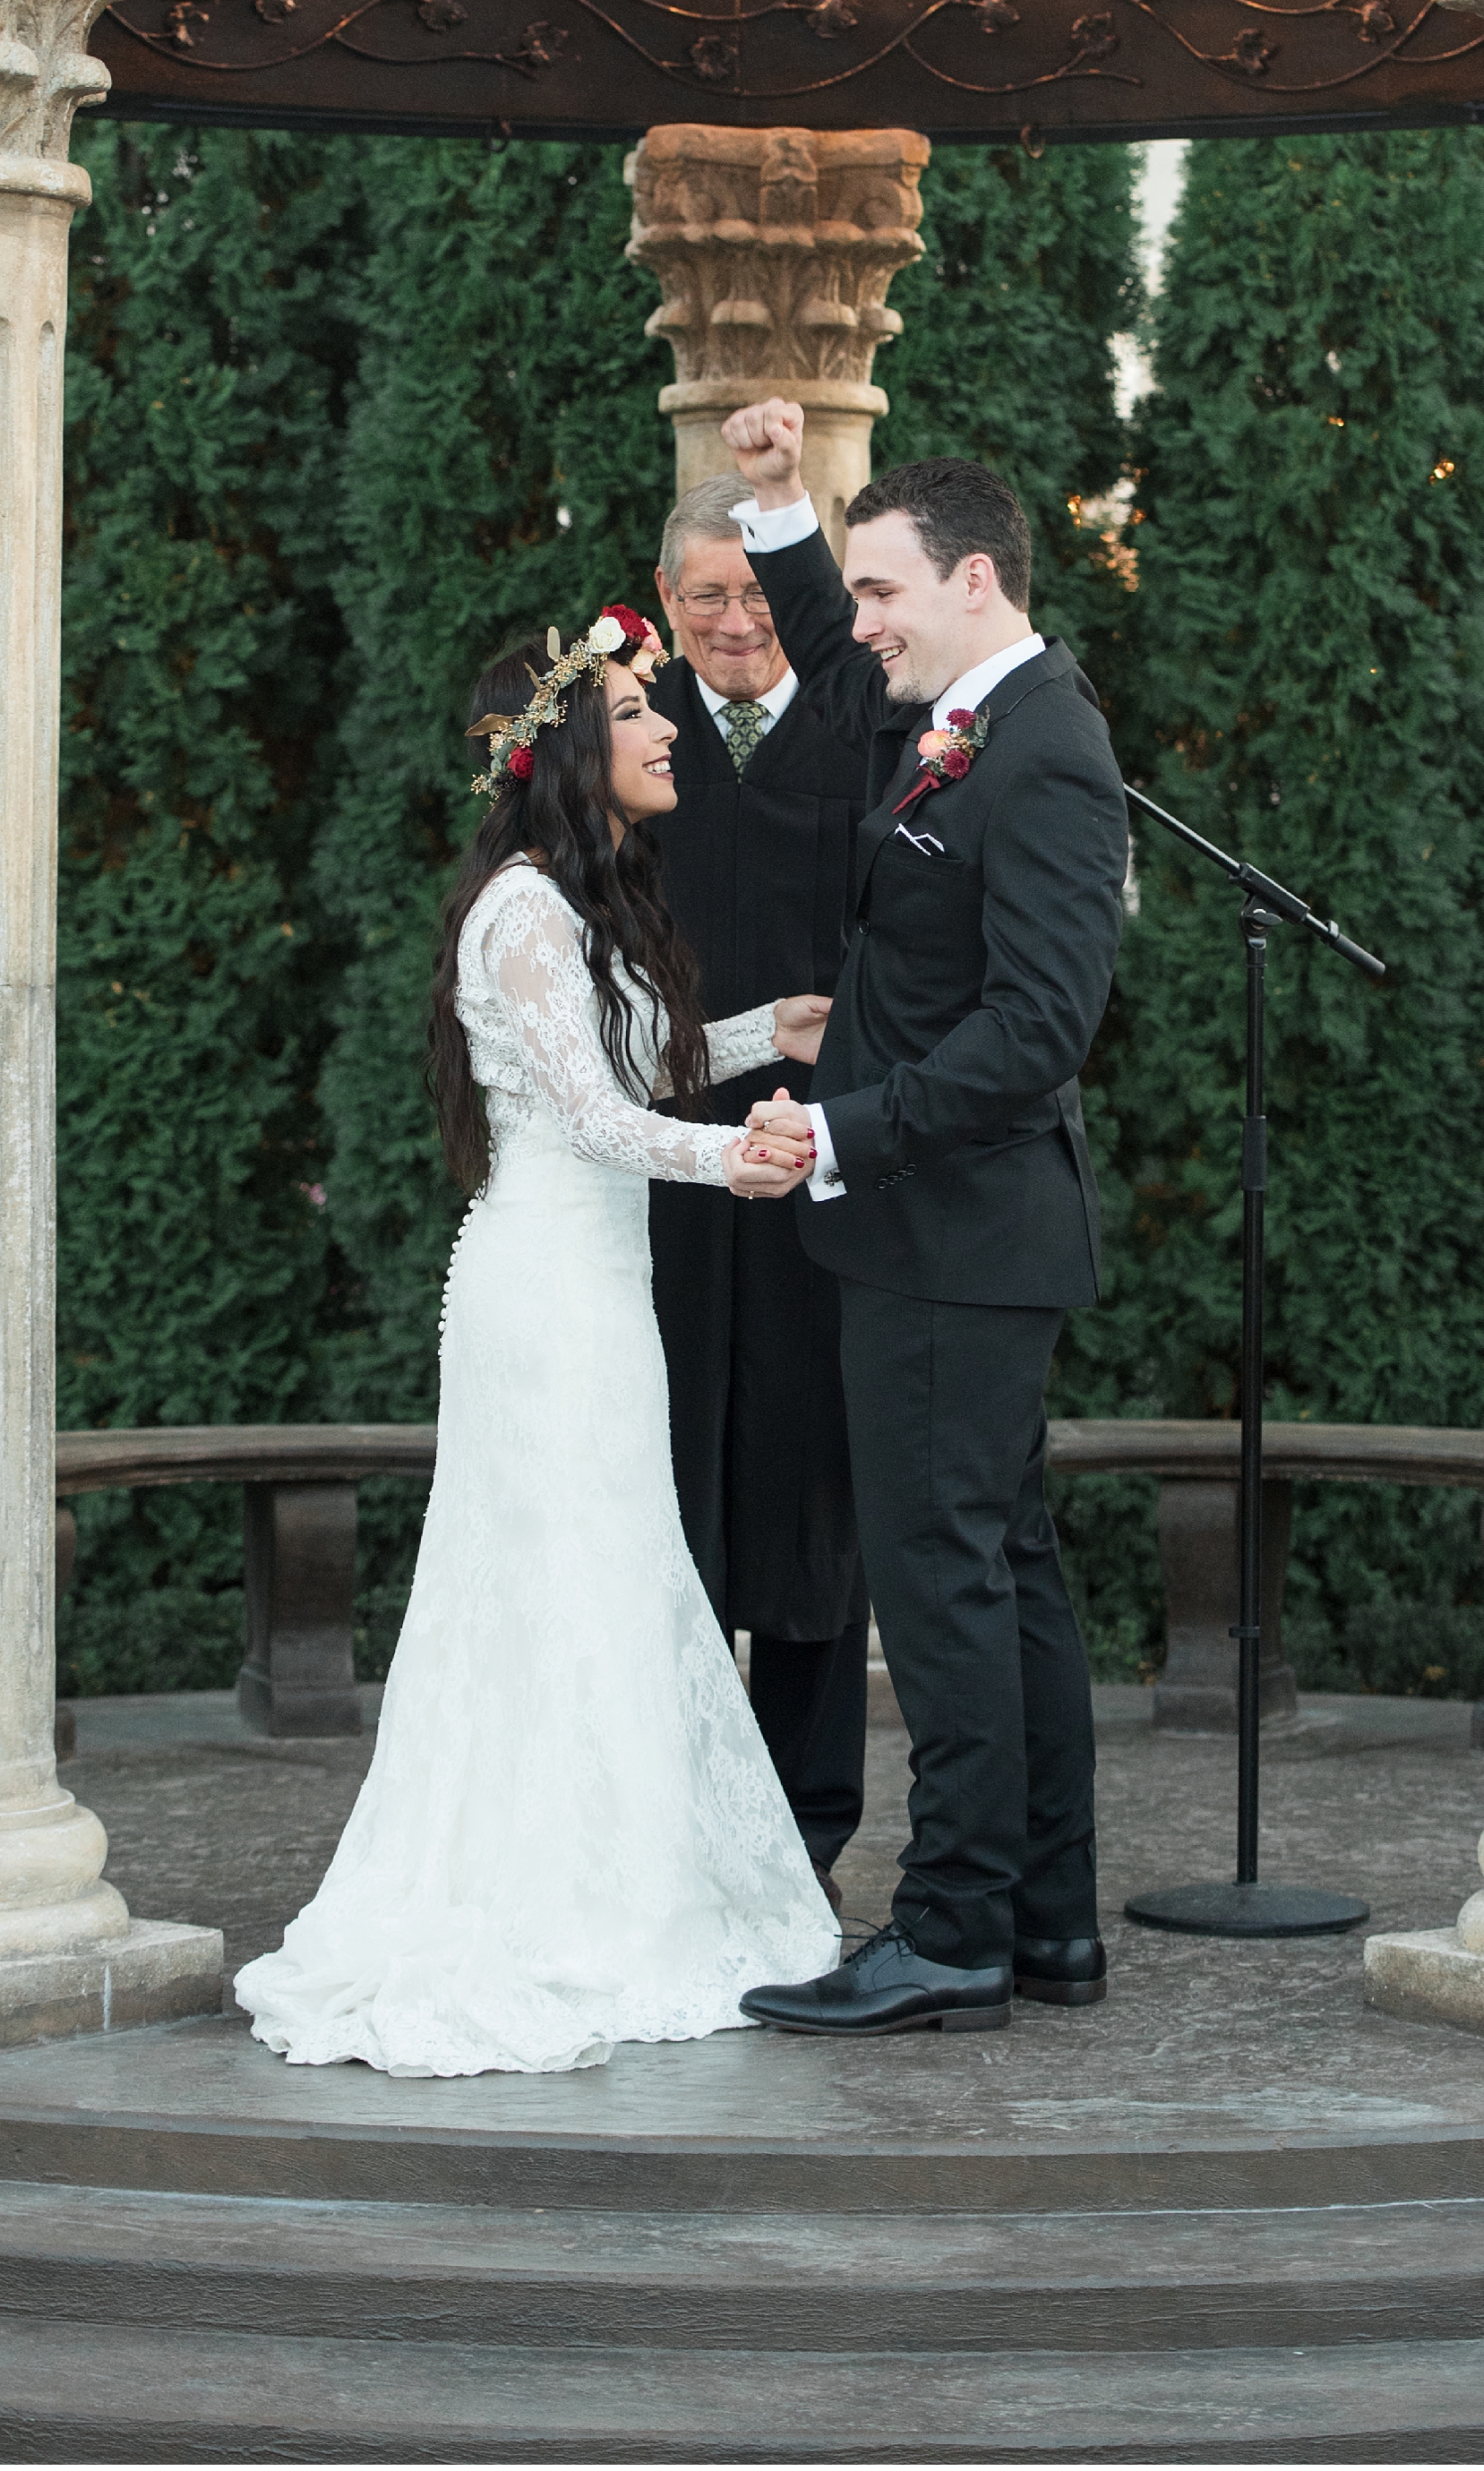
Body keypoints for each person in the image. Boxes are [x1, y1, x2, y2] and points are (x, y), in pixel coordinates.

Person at [236, 604, 838, 2078]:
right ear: (572, 747)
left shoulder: (577, 907)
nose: (666, 728)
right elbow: (586, 1120)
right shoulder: (519, 912)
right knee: (566, 1579)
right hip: (546, 1301)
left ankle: (619, 1878)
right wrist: (737, 1166)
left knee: (609, 1577)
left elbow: (641, 1060)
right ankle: (556, 1907)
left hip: (592, 1292)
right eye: (638, 711)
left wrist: (776, 1031)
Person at [718, 401, 1130, 2040]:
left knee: (943, 1582)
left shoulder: (1045, 749)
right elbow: (830, 648)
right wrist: (782, 506)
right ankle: (1047, 1918)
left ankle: (951, 1926)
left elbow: (1039, 1033)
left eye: (884, 590)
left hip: (951, 1237)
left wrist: (839, 1133)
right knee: (1004, 1573)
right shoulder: (956, 707)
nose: (860, 618)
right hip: (940, 1237)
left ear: (972, 580)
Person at [645, 475, 871, 1905]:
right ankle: (667, 1819)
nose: (735, 622)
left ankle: (807, 1840)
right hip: (659, 1185)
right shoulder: (626, 744)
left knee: (810, 1500)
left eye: (755, 592)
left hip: (810, 1178)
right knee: (662, 1498)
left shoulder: (862, 746)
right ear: (667, 603)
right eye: (705, 596)